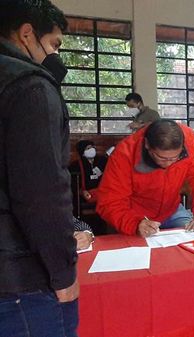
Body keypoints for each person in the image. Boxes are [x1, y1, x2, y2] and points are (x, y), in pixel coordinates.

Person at [0, 1, 79, 335]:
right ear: (27, 34)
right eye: (55, 45)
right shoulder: (30, 86)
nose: (56, 56)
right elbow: (42, 193)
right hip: (21, 278)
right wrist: (63, 273)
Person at [96, 119, 194, 237]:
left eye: (175, 158)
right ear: (147, 144)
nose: (169, 164)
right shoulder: (125, 153)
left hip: (172, 210)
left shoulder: (189, 139)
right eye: (162, 158)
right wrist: (134, 225)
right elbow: (110, 201)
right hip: (136, 217)